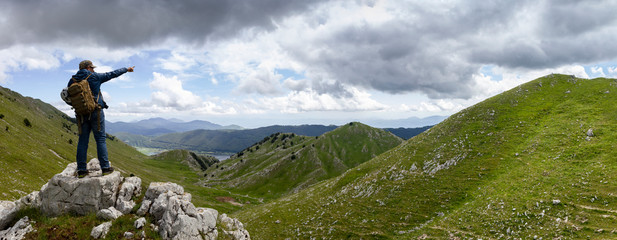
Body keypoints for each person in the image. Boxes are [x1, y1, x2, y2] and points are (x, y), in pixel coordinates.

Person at [68, 60, 134, 178]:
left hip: (81, 114)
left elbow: (69, 97)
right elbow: (112, 74)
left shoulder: (72, 80)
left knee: (83, 141)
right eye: (92, 68)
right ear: (88, 67)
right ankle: (105, 168)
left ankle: (82, 170)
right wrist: (126, 69)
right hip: (96, 112)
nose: (94, 70)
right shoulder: (95, 76)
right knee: (100, 140)